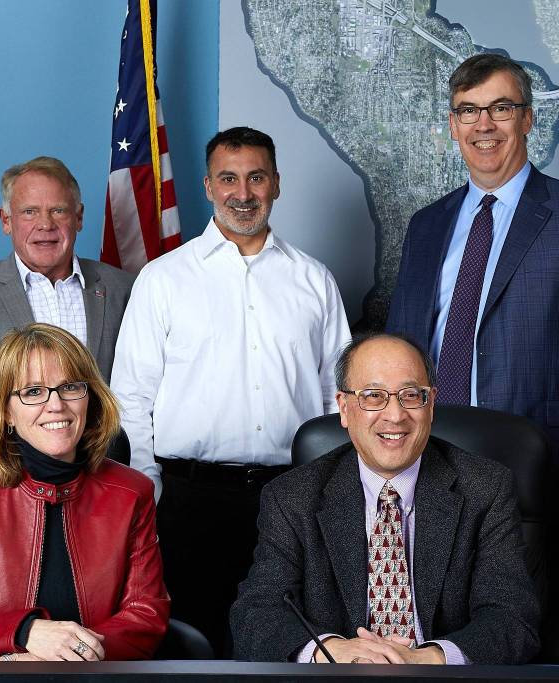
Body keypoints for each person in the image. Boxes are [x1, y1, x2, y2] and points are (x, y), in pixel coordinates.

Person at [385, 53, 559, 658]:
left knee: (528, 634)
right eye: (468, 111)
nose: (484, 125)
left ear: (527, 119)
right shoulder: (427, 225)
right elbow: (400, 352)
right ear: (452, 124)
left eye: (500, 108)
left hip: (538, 475)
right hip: (428, 463)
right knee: (433, 627)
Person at [111, 126, 351, 656]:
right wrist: (150, 494)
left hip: (291, 499)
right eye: (229, 178)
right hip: (188, 500)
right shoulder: (163, 280)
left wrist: (326, 495)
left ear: (277, 184)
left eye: (256, 177)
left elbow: (340, 400)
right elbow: (132, 399)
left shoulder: (314, 281)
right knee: (191, 644)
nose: (243, 193)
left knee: (290, 643)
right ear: (208, 186)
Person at [231, 333, 540, 664]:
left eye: (411, 395)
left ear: (431, 404)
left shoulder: (485, 488)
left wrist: (426, 660)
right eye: (373, 396)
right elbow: (256, 614)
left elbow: (512, 618)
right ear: (345, 408)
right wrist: (332, 651)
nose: (395, 415)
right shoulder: (293, 497)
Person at [0, 323, 168, 661]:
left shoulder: (132, 492)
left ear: (89, 398)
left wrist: (67, 658)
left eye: (70, 387)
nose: (56, 405)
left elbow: (145, 616)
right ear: (6, 412)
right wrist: (23, 634)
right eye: (33, 392)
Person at [0, 157, 135, 407]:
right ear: (6, 220)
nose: (45, 224)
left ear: (79, 217)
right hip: (10, 447)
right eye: (30, 212)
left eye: (58, 210)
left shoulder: (124, 288)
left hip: (102, 446)